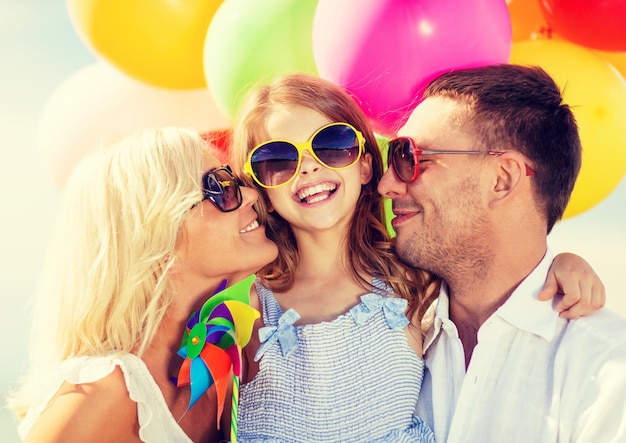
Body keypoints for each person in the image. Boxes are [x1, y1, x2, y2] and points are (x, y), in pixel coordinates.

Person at [229, 73, 606, 442]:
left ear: (363, 164)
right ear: (259, 187)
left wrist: (562, 263)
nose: (309, 167)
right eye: (277, 159)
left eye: (331, 146)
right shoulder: (246, 308)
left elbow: (490, 263)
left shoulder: (410, 282)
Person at [378, 64, 626, 442]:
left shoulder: (610, 374)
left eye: (410, 156)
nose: (386, 184)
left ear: (502, 179)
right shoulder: (381, 335)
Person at [8, 127, 278, 442]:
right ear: (160, 245)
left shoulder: (223, 362)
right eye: (219, 187)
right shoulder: (99, 395)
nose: (251, 195)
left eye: (233, 180)